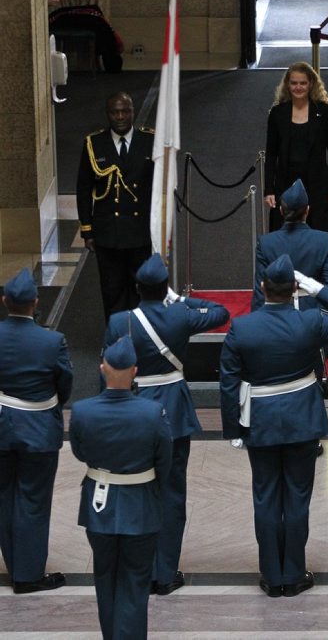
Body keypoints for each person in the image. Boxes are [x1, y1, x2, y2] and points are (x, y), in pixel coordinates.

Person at [220, 254, 328, 597]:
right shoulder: (310, 321)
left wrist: (234, 430)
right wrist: (323, 292)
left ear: (263, 288)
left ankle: (272, 576)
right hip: (302, 419)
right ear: (295, 289)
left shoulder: (242, 327)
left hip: (261, 422)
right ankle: (294, 573)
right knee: (297, 498)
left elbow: (228, 382)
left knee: (266, 496)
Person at [105, 253, 230, 596]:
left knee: (136, 489)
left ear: (136, 288)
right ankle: (165, 571)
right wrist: (182, 298)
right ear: (164, 289)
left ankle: (139, 567)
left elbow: (109, 369)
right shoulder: (179, 315)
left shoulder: (120, 322)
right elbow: (221, 312)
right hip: (172, 411)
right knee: (172, 492)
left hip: (133, 409)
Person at [69, 336, 172, 640]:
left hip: (99, 507)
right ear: (134, 371)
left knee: (105, 579)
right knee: (135, 583)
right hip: (140, 505)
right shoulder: (152, 413)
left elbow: (79, 451)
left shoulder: (83, 410)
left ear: (102, 369)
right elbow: (164, 461)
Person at [0, 268, 73, 593]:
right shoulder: (52, 341)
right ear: (35, 302)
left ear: (4, 301)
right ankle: (28, 575)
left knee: (4, 497)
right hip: (38, 429)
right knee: (33, 499)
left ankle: (15, 565)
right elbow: (64, 383)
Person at [76, 91, 155, 320]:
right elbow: (83, 189)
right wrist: (87, 229)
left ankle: (141, 337)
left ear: (133, 112)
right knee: (112, 290)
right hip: (108, 233)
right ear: (108, 114)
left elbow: (160, 187)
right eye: (115, 112)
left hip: (141, 232)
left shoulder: (150, 141)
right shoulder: (94, 144)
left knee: (141, 289)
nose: (120, 117)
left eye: (125, 111)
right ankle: (116, 336)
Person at [264, 61, 328, 237]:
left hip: (318, 182)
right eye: (294, 83)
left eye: (303, 83)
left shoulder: (325, 112)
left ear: (311, 84)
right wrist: (269, 188)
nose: (298, 87)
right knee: (285, 235)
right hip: (286, 182)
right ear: (287, 84)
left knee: (319, 234)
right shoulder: (277, 113)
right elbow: (271, 154)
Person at [252, 178, 328, 311]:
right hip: (314, 315)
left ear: (281, 211)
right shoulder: (324, 240)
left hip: (279, 315)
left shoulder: (266, 243)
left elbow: (261, 290)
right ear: (307, 210)